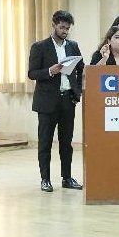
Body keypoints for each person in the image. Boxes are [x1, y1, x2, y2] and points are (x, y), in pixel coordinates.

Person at [28, 10, 84, 192]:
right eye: (62, 27)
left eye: (67, 28)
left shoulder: (73, 46)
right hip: (47, 102)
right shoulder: (40, 47)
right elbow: (32, 73)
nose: (65, 31)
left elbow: (81, 68)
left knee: (66, 142)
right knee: (45, 142)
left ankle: (67, 178)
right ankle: (45, 179)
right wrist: (50, 71)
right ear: (53, 25)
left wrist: (77, 92)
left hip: (68, 100)